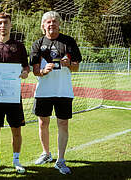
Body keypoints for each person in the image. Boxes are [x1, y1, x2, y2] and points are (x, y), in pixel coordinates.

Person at [29, 11, 82, 175]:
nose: (51, 24)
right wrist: (43, 71)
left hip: (63, 91)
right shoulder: (38, 43)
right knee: (42, 123)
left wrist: (69, 64)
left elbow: (76, 66)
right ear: (43, 25)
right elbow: (35, 70)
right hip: (44, 91)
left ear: (59, 24)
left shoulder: (68, 41)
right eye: (48, 22)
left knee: (63, 124)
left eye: (54, 22)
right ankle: (46, 154)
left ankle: (61, 160)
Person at [0, 12, 30, 174]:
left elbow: (26, 67)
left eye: (6, 22)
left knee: (16, 129)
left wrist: (25, 72)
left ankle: (16, 161)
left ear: (11, 25)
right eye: (0, 23)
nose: (3, 25)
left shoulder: (19, 46)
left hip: (13, 96)